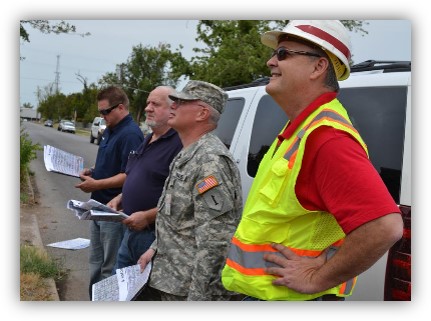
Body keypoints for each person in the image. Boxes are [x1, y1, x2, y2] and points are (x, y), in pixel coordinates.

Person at [221, 20, 404, 301]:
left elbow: (384, 227)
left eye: (283, 53)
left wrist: (318, 276)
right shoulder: (301, 128)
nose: (271, 61)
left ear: (318, 67)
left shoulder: (326, 136)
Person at [137, 80, 243, 301]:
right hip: (170, 280)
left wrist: (198, 298)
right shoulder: (188, 153)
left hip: (187, 290)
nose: (173, 105)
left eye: (181, 102)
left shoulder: (210, 161)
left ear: (202, 113)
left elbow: (216, 240)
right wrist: (154, 249)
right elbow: (178, 220)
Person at [75, 85, 144, 298]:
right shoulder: (110, 131)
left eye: (106, 111)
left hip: (113, 211)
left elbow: (129, 175)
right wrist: (93, 172)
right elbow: (112, 165)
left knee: (109, 267)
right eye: (100, 112)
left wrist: (96, 184)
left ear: (121, 107)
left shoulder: (131, 134)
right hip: (97, 207)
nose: (102, 116)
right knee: (95, 263)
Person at [108, 86, 182, 271]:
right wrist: (120, 198)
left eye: (155, 104)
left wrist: (148, 217)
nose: (148, 108)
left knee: (143, 297)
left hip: (152, 236)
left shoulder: (179, 144)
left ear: (173, 109)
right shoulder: (148, 138)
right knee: (121, 287)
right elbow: (137, 175)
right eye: (148, 102)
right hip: (129, 231)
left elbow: (181, 200)